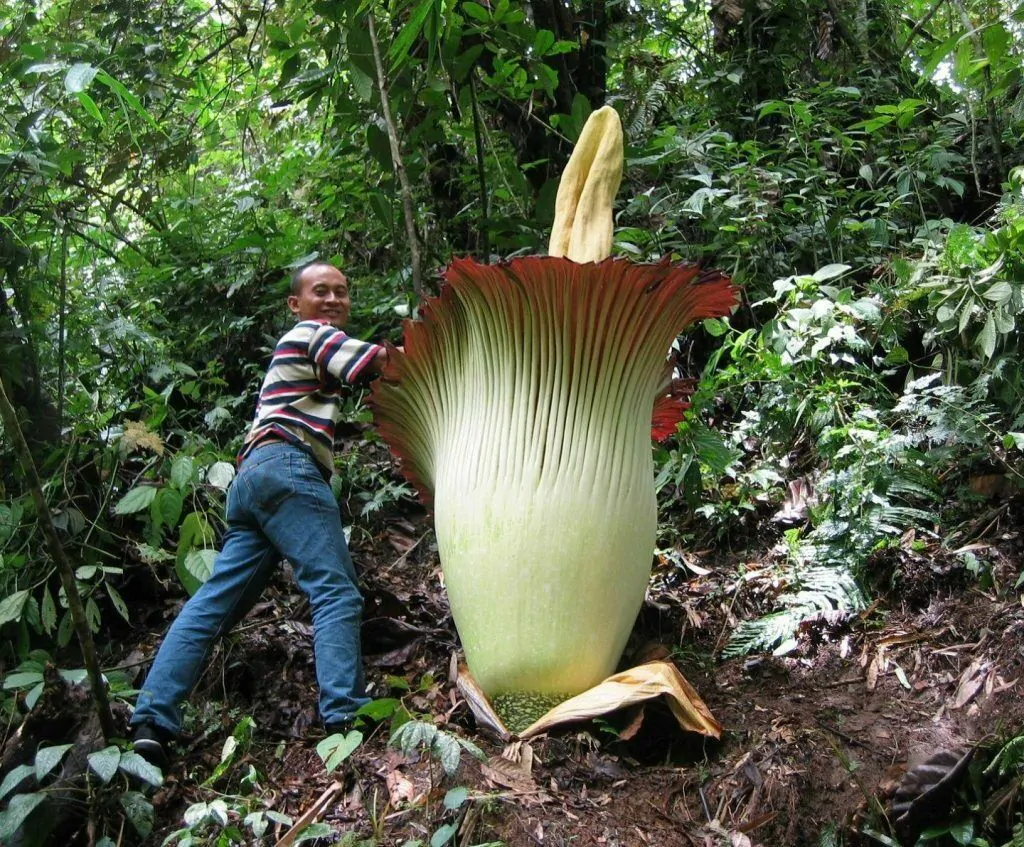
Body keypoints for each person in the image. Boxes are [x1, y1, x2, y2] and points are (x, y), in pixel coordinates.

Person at [131, 262, 393, 767]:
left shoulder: (305, 346)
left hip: (251, 478)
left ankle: (151, 720)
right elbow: (377, 363)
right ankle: (346, 716)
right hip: (288, 468)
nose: (335, 299)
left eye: (342, 292)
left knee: (212, 607)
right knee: (335, 590)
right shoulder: (312, 333)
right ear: (296, 304)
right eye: (322, 291)